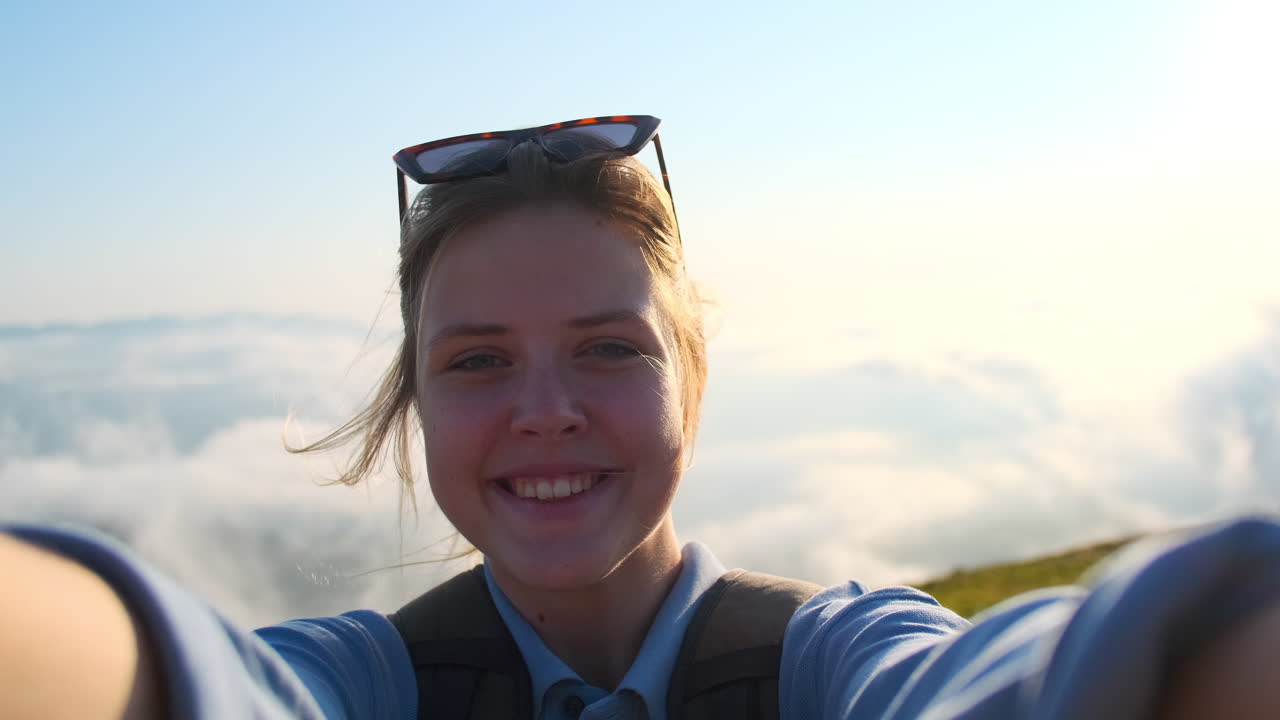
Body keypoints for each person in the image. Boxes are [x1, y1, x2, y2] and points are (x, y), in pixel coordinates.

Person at [3, 114, 1280, 720]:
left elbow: (1011, 691)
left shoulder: (831, 662)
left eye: (608, 349)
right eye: (477, 361)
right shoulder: (364, 686)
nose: (544, 411)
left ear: (693, 376)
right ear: (411, 403)